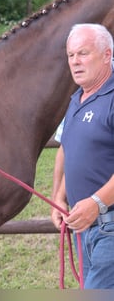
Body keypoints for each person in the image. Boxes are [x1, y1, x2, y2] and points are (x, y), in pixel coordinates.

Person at [51, 23, 114, 289]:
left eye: (83, 53)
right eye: (71, 55)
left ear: (107, 55)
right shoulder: (77, 99)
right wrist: (59, 197)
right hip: (85, 228)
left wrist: (96, 204)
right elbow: (70, 150)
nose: (75, 62)